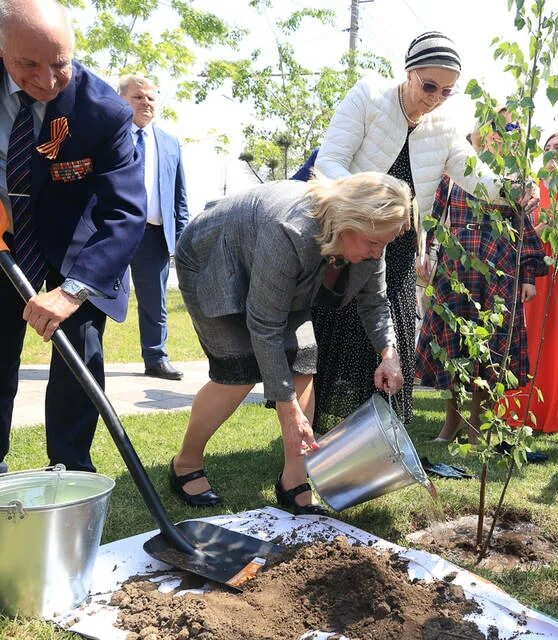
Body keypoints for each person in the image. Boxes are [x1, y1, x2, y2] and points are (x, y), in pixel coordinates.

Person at [304, 31, 515, 431]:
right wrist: (367, 208)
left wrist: (511, 192)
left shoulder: (445, 127)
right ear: (409, 72)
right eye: (429, 85)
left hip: (397, 252)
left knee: (384, 341)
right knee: (335, 335)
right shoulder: (369, 96)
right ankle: (314, 434)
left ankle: (375, 437)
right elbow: (329, 161)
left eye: (447, 91)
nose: (435, 97)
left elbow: (476, 176)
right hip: (348, 238)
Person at [169, 173, 408, 514]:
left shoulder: (371, 243)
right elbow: (265, 325)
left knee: (303, 362)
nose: (378, 252)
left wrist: (388, 353)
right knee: (237, 371)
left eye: (384, 244)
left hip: (283, 278)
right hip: (215, 263)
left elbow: (375, 303)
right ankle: (185, 463)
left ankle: (294, 479)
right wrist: (286, 404)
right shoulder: (290, 228)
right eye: (373, 243)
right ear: (349, 221)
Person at [0, 0, 146, 475]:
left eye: (59, 64)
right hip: (4, 239)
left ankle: (69, 471)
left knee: (79, 357)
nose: (45, 80)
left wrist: (72, 292)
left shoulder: (102, 113)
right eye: (28, 65)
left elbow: (124, 214)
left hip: (77, 246)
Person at [416, 112, 546, 441]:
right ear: (478, 132)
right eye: (493, 128)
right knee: (450, 347)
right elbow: (433, 215)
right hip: (453, 270)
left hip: (499, 272)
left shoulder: (517, 178)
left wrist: (528, 275)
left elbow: (524, 228)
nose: (499, 135)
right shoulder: (454, 167)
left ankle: (477, 425)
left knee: (492, 348)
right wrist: (423, 254)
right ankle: (452, 421)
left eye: (509, 129)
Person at [502, 133, 558, 433]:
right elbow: (519, 228)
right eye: (547, 148)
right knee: (530, 335)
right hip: (535, 267)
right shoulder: (532, 186)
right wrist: (545, 225)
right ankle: (524, 408)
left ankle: (557, 409)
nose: (552, 153)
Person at [118, 74, 189, 381]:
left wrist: (182, 239)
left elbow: (179, 196)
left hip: (153, 235)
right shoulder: (110, 136)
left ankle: (156, 358)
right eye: (138, 97)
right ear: (122, 100)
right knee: (97, 297)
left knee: (154, 302)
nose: (146, 102)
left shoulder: (170, 142)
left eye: (150, 97)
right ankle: (87, 357)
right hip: (114, 232)